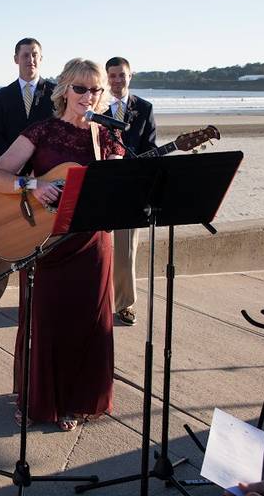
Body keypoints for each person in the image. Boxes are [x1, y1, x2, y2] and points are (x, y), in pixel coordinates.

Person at [0, 58, 123, 430]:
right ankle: (39, 400)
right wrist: (33, 186)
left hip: (93, 242)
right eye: (80, 88)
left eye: (95, 89)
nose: (88, 96)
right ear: (64, 91)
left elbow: (116, 186)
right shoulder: (42, 131)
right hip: (48, 245)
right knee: (47, 323)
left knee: (89, 324)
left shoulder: (107, 136)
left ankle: (77, 400)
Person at [0, 37, 56, 315]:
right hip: (11, 178)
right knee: (3, 233)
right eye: (25, 55)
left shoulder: (56, 93)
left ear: (41, 59)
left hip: (46, 178)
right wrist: (13, 165)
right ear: (16, 59)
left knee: (41, 238)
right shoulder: (4, 95)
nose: (30, 60)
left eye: (35, 55)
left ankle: (35, 300)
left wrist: (40, 168)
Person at [105, 56, 157, 326]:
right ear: (106, 77)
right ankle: (95, 300)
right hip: (101, 185)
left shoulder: (145, 109)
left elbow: (150, 147)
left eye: (121, 75)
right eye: (112, 75)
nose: (117, 80)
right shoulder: (96, 106)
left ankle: (125, 303)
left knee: (126, 250)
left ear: (130, 76)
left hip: (131, 188)